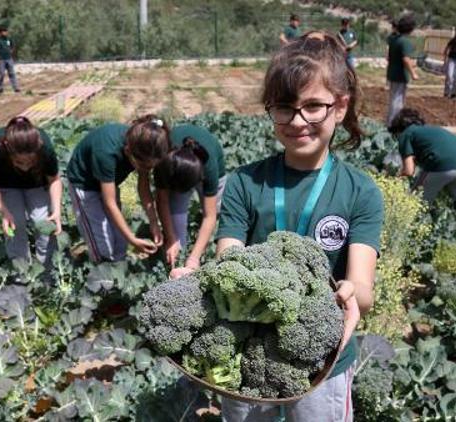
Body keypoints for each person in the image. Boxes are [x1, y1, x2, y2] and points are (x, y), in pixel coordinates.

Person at [211, 31, 384, 421]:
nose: (298, 121)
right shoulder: (244, 183)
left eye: (314, 106)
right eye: (284, 107)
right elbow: (229, 260)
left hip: (323, 361)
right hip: (247, 357)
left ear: (339, 107)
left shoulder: (360, 192)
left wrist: (348, 293)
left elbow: (364, 288)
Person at [66, 115, 170, 263]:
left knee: (120, 242)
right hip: (84, 184)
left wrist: (154, 223)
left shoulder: (145, 146)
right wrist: (133, 239)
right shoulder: (107, 152)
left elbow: (143, 188)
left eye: (151, 167)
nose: (147, 170)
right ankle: (101, 275)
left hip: (109, 183)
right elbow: (110, 204)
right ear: (128, 152)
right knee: (103, 245)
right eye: (145, 167)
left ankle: (117, 273)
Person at [0, 116, 61, 264]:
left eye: (31, 161)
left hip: (37, 182)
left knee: (42, 221)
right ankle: (21, 270)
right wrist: (4, 212)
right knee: (14, 223)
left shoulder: (44, 147)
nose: (25, 167)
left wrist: (56, 211)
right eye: (19, 162)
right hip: (7, 184)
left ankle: (48, 268)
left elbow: (54, 180)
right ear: (7, 149)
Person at [390, 108, 456, 226]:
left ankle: (410, 229)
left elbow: (409, 170)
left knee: (416, 201)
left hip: (440, 164)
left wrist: (394, 182)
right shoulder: (431, 130)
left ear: (398, 129)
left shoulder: (406, 134)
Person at [154, 124, 226, 275]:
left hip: (211, 163)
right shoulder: (163, 161)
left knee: (216, 212)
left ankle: (197, 251)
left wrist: (194, 259)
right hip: (176, 164)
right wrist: (171, 238)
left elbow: (209, 215)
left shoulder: (210, 168)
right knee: (176, 213)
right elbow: (162, 201)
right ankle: (178, 255)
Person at [386, 13, 419, 126]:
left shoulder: (394, 39)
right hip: (400, 76)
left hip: (392, 73)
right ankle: (393, 125)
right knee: (398, 102)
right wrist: (413, 73)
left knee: (393, 99)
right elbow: (405, 59)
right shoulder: (405, 42)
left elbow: (390, 57)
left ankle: (389, 122)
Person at [0, 25, 20, 94]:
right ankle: (0, 88)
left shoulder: (9, 39)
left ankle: (16, 88)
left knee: (12, 73)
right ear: (0, 32)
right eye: (4, 31)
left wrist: (11, 52)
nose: (5, 32)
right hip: (1, 60)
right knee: (2, 74)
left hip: (9, 59)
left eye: (6, 31)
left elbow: (12, 47)